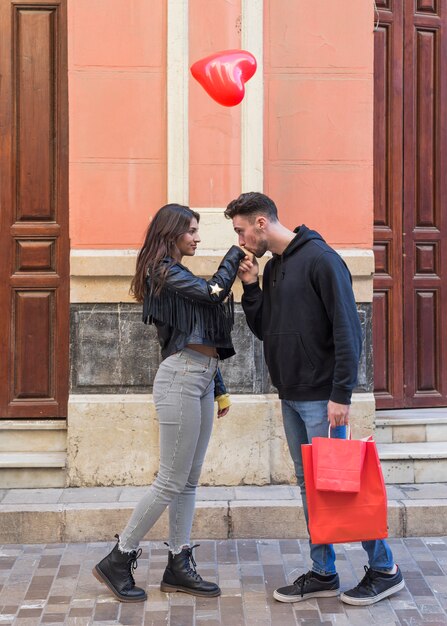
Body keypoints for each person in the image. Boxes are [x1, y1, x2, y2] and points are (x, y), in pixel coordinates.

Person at [224, 192, 405, 606]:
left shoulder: (322, 260)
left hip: (323, 397)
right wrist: (251, 287)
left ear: (261, 223)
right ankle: (323, 572)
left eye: (240, 229)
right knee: (311, 486)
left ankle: (385, 569)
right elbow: (267, 328)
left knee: (342, 485)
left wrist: (342, 393)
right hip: (290, 394)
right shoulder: (272, 270)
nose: (240, 239)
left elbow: (348, 328)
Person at [93, 203, 245, 603]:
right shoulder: (160, 269)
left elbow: (201, 331)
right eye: (192, 231)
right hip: (179, 379)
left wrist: (219, 385)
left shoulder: (177, 272)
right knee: (170, 482)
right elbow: (214, 294)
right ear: (171, 232)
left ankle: (178, 563)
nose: (197, 237)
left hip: (201, 377)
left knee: (189, 481)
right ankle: (119, 556)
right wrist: (236, 251)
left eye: (197, 231)